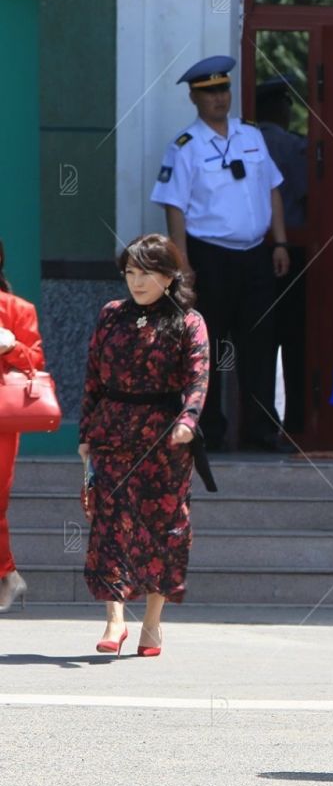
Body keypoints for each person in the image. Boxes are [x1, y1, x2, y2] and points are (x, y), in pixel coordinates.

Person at [79, 234, 210, 658]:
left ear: (169, 277)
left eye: (146, 273)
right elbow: (93, 378)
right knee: (109, 524)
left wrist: (188, 420)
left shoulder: (189, 321)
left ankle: (151, 623)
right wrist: (85, 435)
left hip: (164, 438)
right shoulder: (111, 315)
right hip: (112, 432)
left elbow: (198, 378)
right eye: (130, 273)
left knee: (162, 529)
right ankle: (114, 620)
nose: (136, 282)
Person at [151, 55, 288, 452]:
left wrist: (279, 242)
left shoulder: (251, 135)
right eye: (209, 92)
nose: (219, 98)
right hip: (209, 256)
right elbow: (174, 206)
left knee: (259, 344)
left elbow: (273, 189)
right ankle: (207, 429)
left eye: (223, 89)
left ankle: (261, 431)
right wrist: (182, 263)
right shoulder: (185, 147)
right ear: (194, 97)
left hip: (255, 255)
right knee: (206, 346)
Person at [255, 76, 310, 433]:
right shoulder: (290, 145)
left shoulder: (246, 141)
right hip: (292, 251)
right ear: (281, 109)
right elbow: (312, 189)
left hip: (254, 252)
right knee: (295, 341)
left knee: (257, 342)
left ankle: (257, 423)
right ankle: (297, 422)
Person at [0, 240, 45, 613]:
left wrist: (10, 346)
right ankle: (8, 574)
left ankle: (6, 575)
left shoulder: (17, 309)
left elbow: (35, 361)